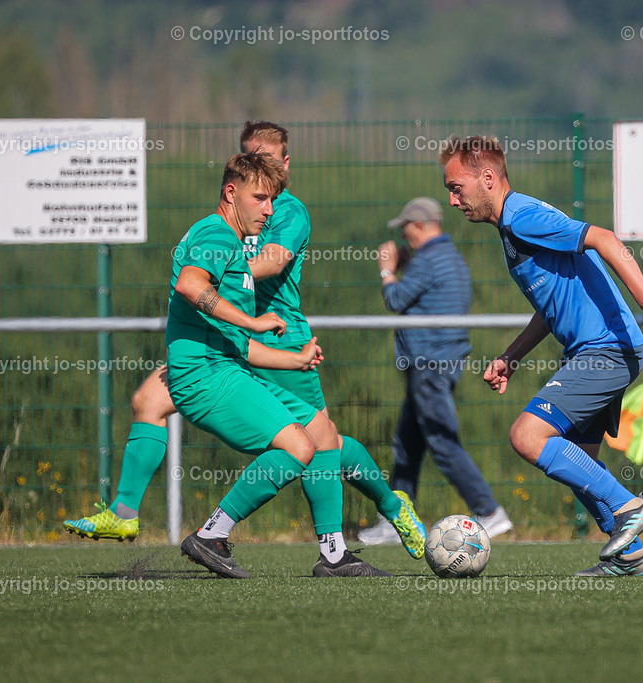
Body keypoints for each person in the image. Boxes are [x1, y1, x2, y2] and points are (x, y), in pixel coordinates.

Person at [65, 123, 425, 577]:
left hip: (269, 342)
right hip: (229, 351)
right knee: (157, 402)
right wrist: (232, 287)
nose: (268, 203)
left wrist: (273, 334)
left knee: (321, 440)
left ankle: (374, 519)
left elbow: (271, 260)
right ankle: (137, 514)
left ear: (285, 164)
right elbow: (194, 283)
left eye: (272, 171)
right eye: (258, 181)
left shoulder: (284, 213)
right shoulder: (219, 236)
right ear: (236, 182)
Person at [438, 135, 643, 577]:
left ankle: (632, 508)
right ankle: (629, 555)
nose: (453, 200)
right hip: (595, 350)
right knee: (576, 458)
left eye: (456, 187)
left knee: (527, 438)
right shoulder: (515, 225)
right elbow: (550, 306)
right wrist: (511, 356)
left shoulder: (522, 217)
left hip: (606, 349)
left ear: (488, 179)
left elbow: (604, 238)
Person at [358, 197, 512, 547]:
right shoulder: (451, 258)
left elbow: (396, 300)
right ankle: (396, 519)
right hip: (438, 363)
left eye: (407, 228)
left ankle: (488, 511)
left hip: (429, 365)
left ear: (420, 225)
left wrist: (387, 269)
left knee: (442, 441)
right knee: (408, 444)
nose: (405, 236)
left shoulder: (428, 260)